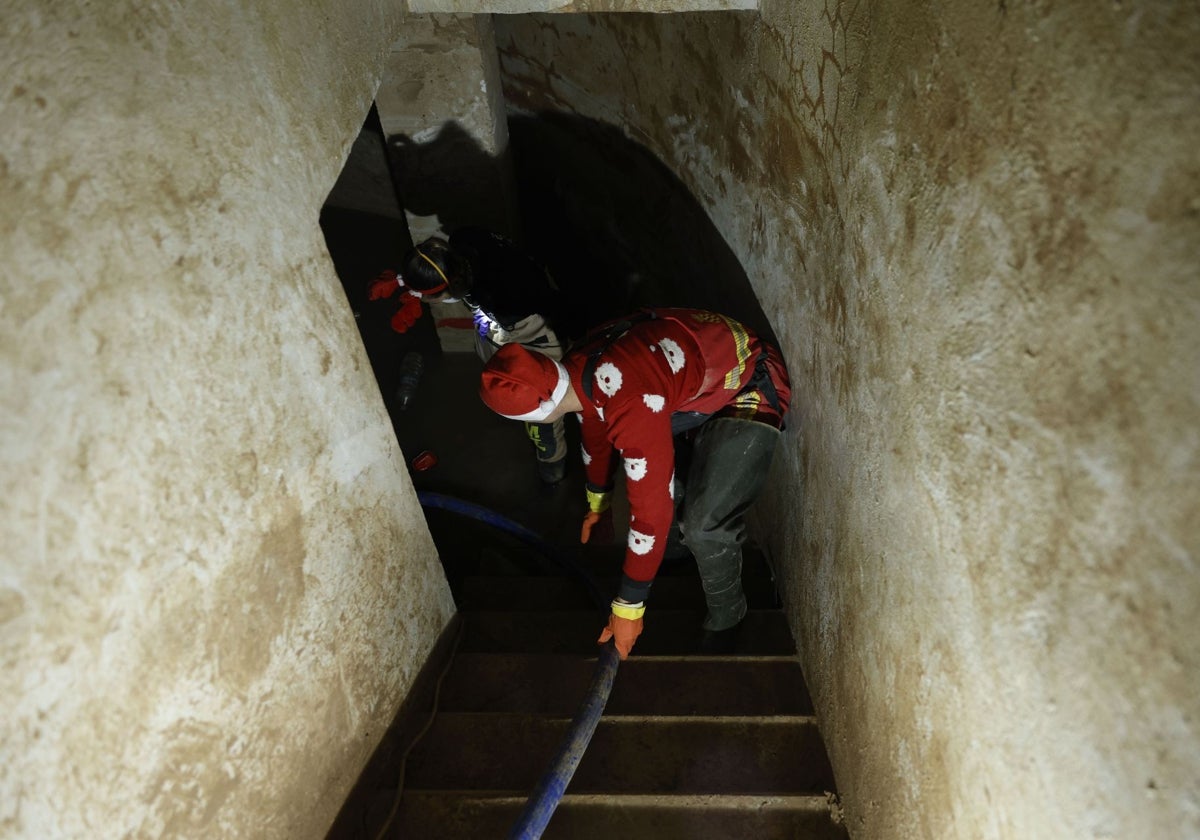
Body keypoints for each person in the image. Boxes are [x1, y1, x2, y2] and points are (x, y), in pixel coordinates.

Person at [478, 307, 791, 659]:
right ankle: (674, 555)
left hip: (747, 381)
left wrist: (629, 605)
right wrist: (600, 503)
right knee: (658, 485)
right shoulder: (574, 369)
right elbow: (594, 430)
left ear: (539, 414)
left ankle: (728, 616)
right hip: (692, 381)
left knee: (703, 526)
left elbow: (651, 514)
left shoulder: (631, 404)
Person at [367, 227, 571, 484]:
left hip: (533, 333)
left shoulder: (502, 299)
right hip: (500, 322)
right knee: (497, 371)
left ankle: (552, 460)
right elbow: (444, 271)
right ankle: (510, 404)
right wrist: (403, 281)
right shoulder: (462, 242)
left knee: (541, 405)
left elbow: (480, 299)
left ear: (450, 289)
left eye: (428, 295)